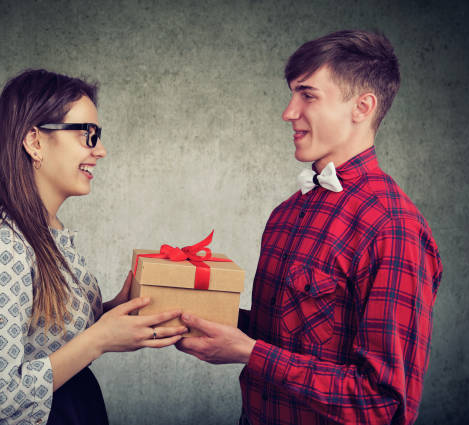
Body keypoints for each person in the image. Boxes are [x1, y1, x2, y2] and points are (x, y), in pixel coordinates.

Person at [177, 30, 443, 425]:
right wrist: (194, 315)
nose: (288, 112)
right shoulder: (286, 214)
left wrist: (249, 353)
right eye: (292, 94)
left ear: (362, 107)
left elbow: (382, 405)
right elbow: (286, 339)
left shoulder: (393, 227)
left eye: (308, 95)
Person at [0, 69, 187, 425]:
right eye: (88, 135)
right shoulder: (0, 246)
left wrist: (111, 311)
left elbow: (45, 337)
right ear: (34, 142)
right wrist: (99, 339)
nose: (101, 150)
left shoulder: (48, 232)